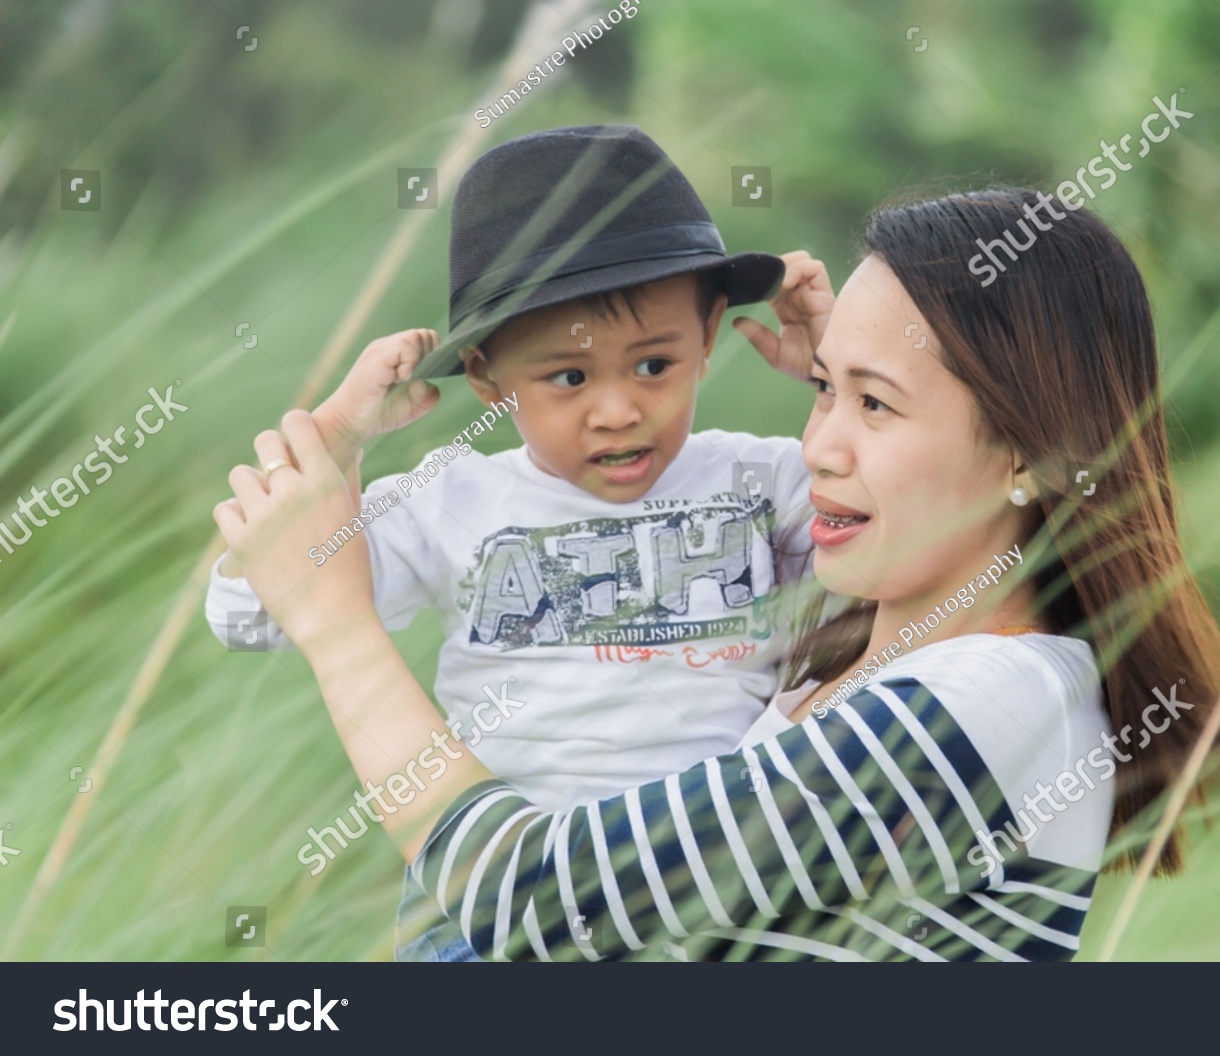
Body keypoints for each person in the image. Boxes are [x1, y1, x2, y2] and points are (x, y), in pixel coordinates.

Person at [215, 187, 1220, 961]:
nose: (818, 445)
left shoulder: (987, 705)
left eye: (876, 406)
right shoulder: (842, 666)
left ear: (1029, 456)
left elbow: (540, 903)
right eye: (820, 393)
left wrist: (339, 626)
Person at [204, 125, 839, 817]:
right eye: (569, 376)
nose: (619, 410)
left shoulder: (767, 482)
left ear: (708, 334)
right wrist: (335, 438)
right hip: (507, 883)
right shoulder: (449, 500)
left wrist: (839, 377)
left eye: (655, 366)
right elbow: (250, 616)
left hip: (714, 872)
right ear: (486, 376)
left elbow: (925, 524)